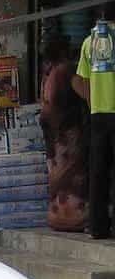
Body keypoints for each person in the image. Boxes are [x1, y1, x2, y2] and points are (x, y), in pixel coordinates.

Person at [41, 38, 89, 232]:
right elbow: (86, 94)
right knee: (71, 171)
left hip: (55, 130)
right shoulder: (66, 72)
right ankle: (72, 215)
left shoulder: (48, 72)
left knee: (58, 169)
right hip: (65, 130)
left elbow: (45, 102)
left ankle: (59, 213)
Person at [72, 20, 115, 238]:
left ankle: (98, 227)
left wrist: (91, 99)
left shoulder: (90, 42)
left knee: (98, 172)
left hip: (98, 115)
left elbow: (79, 80)